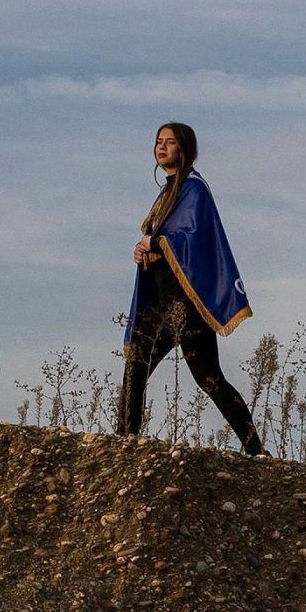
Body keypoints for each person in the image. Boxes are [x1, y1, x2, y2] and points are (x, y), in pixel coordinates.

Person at [119, 120, 265, 455]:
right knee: (136, 363)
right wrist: (144, 250)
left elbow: (192, 239)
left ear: (184, 150)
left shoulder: (194, 190)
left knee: (209, 377)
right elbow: (164, 245)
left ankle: (255, 448)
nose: (162, 147)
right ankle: (126, 440)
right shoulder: (165, 195)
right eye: (158, 141)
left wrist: (153, 241)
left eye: (170, 142)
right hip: (161, 301)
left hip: (188, 304)